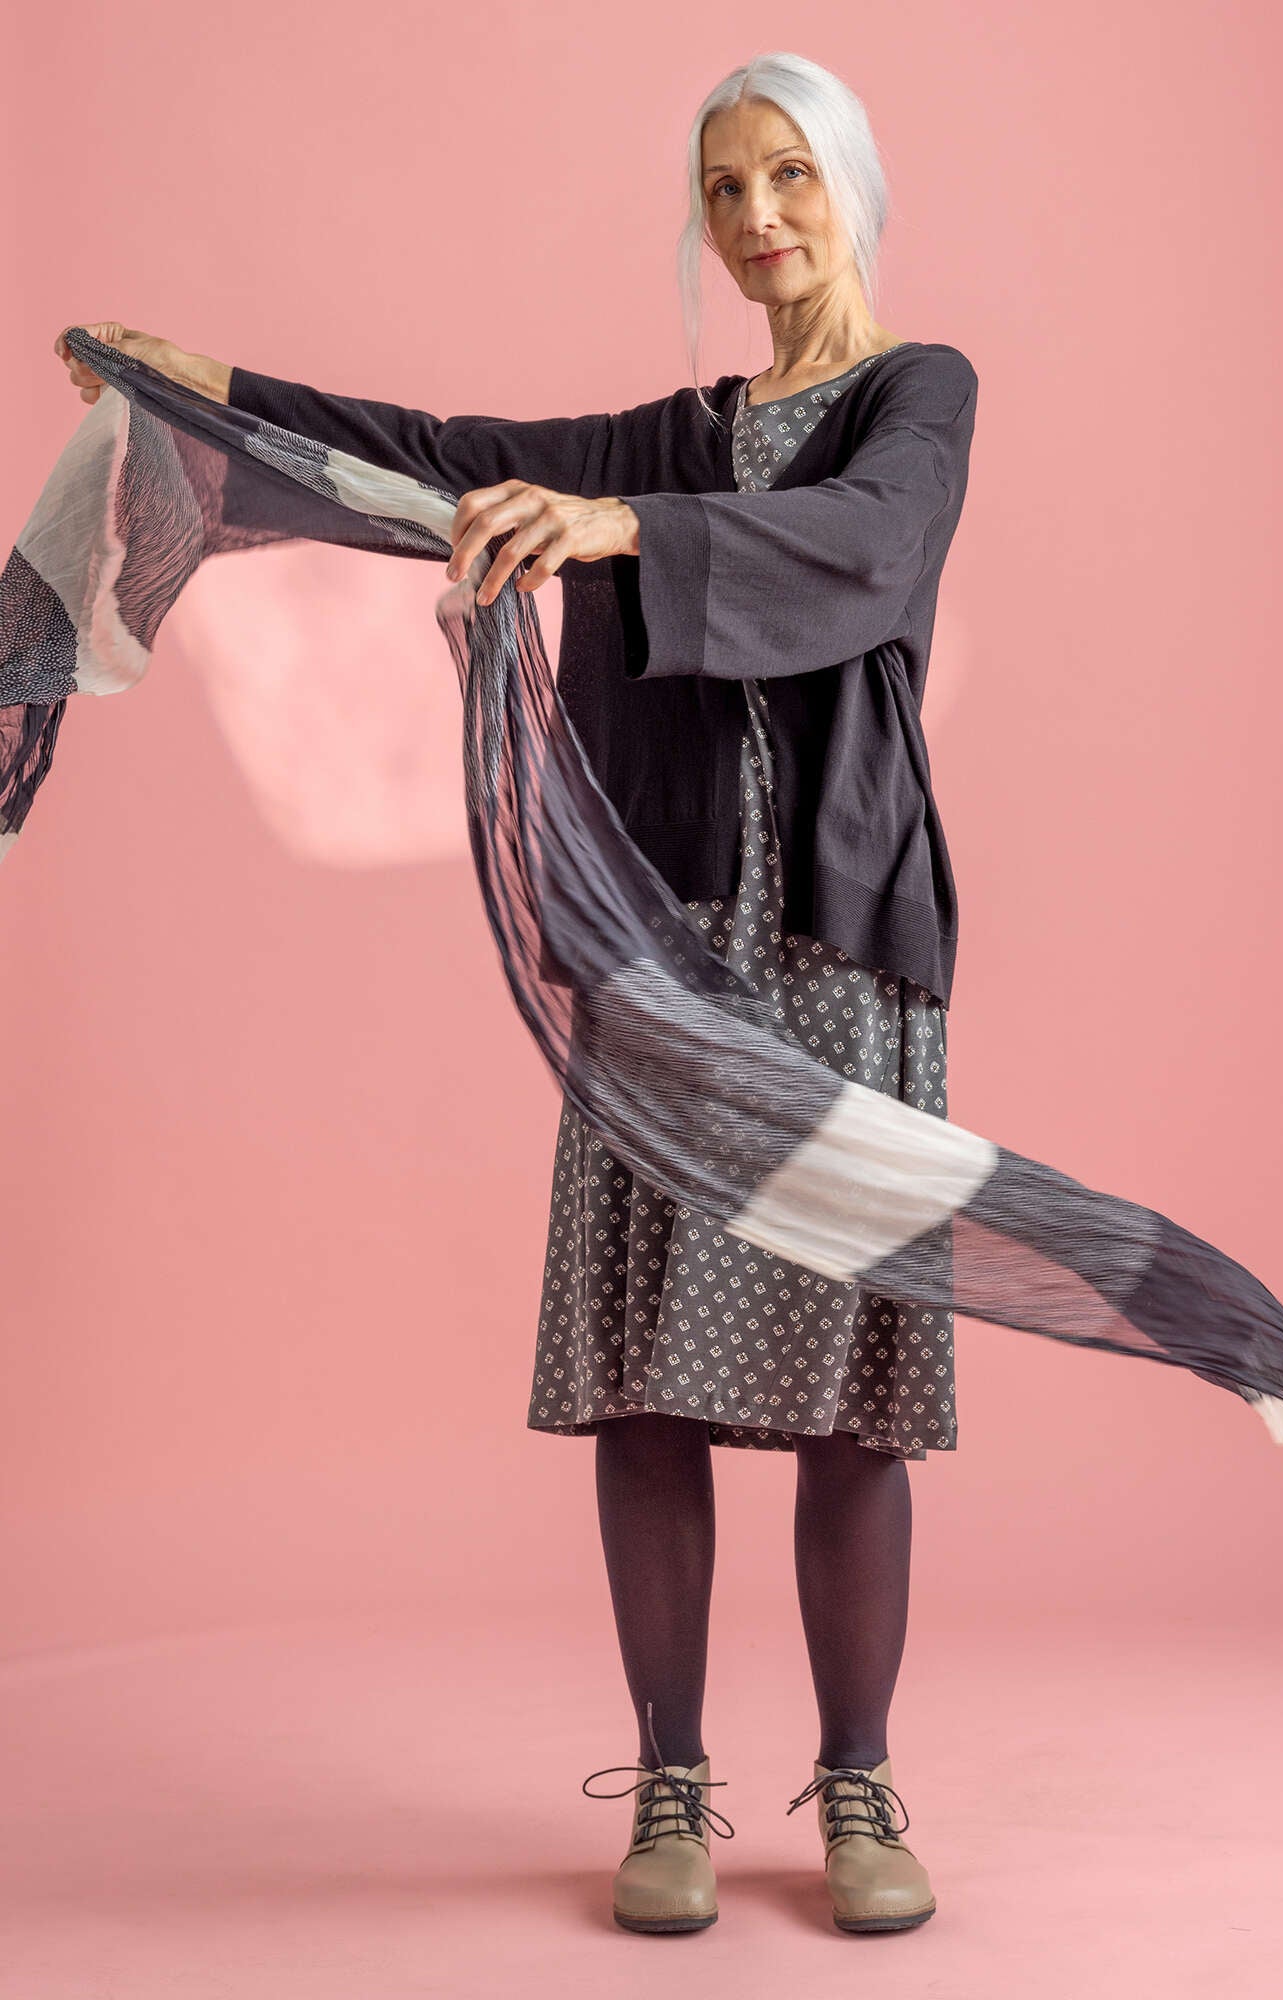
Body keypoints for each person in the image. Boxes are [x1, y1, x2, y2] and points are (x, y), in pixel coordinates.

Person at [55, 52, 976, 1939]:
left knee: (853, 1397)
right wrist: (206, 391)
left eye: (788, 177)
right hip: (651, 939)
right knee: (644, 1382)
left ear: (852, 186)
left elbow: (876, 548)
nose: (756, 219)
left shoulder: (917, 395)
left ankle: (857, 1783)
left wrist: (619, 530)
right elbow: (438, 450)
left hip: (841, 939)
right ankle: (668, 1786)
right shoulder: (662, 432)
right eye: (721, 190)